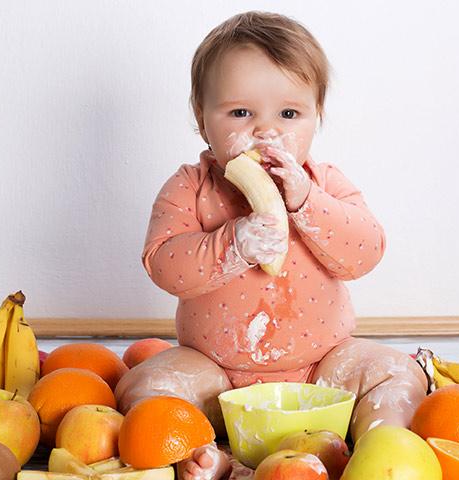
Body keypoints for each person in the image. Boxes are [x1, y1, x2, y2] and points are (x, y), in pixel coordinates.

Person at [115, 11, 427, 480]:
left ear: (315, 118)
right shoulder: (190, 187)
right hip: (214, 373)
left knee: (398, 372)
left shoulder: (325, 184)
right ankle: (204, 455)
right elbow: (163, 264)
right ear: (202, 120)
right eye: (241, 113)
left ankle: (379, 451)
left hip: (324, 369)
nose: (266, 131)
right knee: (145, 386)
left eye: (289, 114)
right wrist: (232, 244)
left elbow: (366, 251)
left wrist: (307, 203)